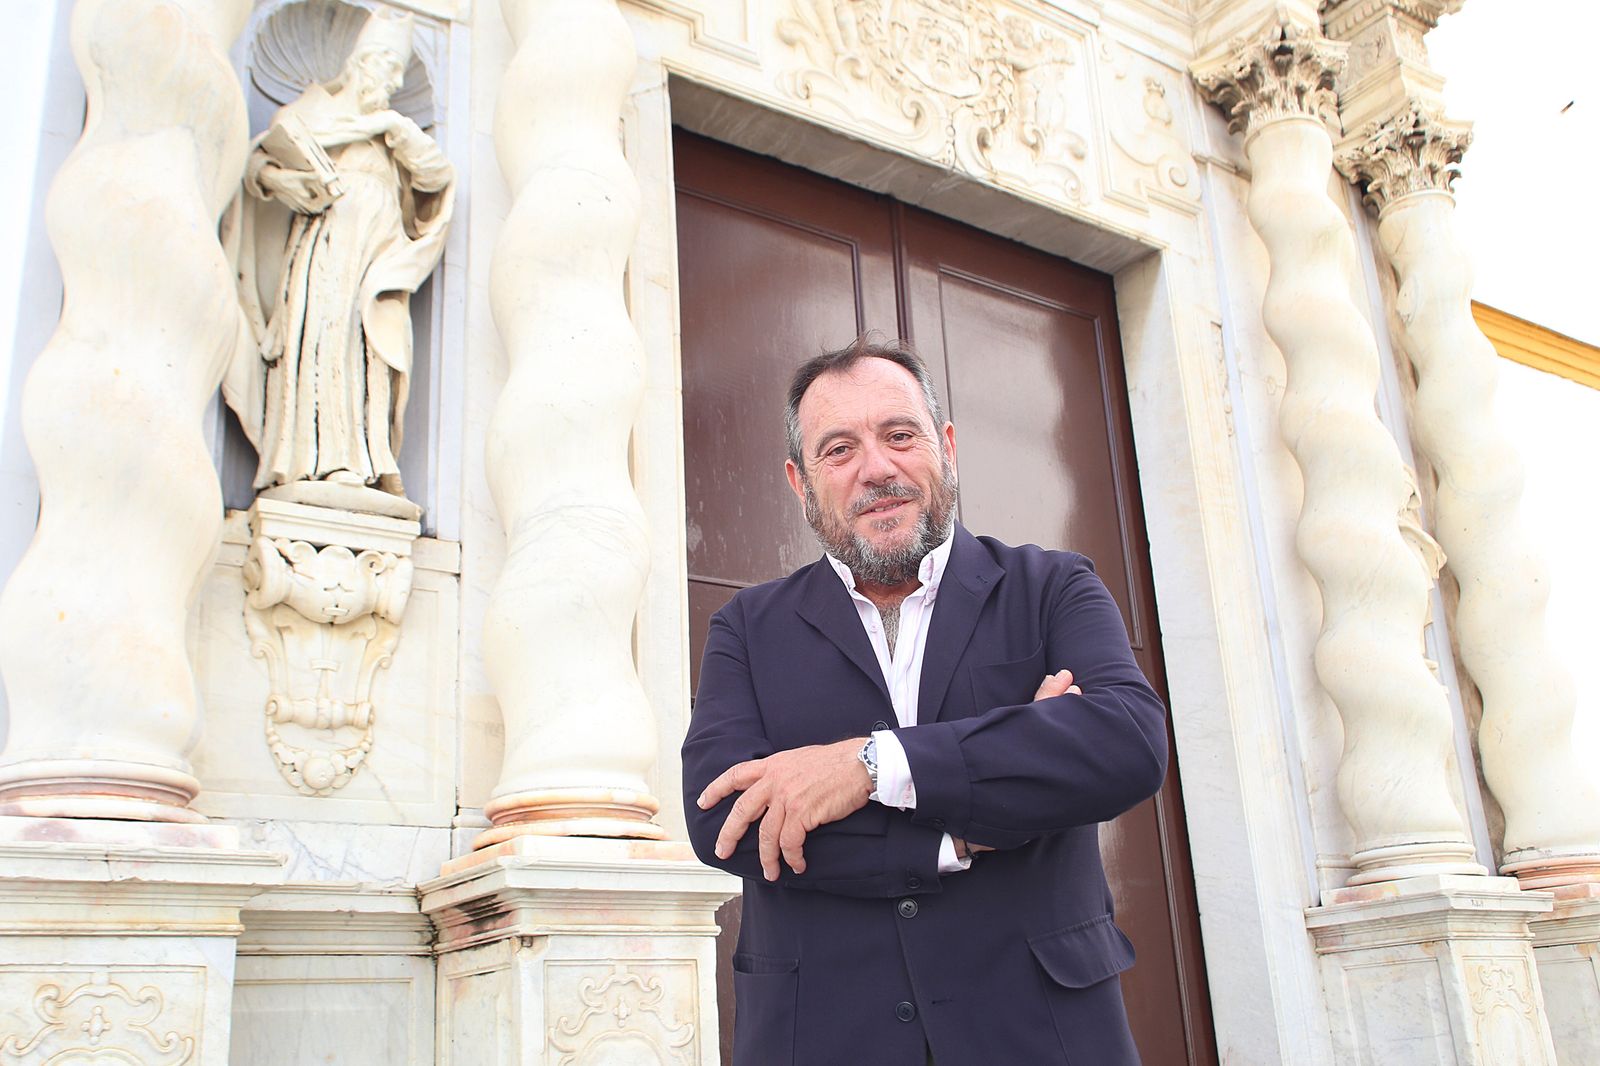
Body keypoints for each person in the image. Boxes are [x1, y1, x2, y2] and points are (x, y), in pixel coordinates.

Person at [682, 335, 1167, 1064]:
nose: (877, 468)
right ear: (799, 482)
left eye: (899, 435)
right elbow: (723, 819)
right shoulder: (746, 629)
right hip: (824, 1037)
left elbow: (1125, 744)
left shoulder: (1052, 587)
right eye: (838, 450)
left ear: (946, 447)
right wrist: (960, 833)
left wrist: (871, 766)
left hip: (1040, 1032)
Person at [225, 6, 453, 500]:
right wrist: (282, 181)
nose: (394, 82)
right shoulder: (312, 116)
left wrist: (394, 127)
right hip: (325, 253)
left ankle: (363, 459)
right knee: (323, 340)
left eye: (399, 72)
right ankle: (310, 460)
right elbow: (258, 163)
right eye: (387, 68)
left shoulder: (392, 134)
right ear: (359, 64)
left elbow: (436, 178)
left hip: (377, 262)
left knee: (371, 351)